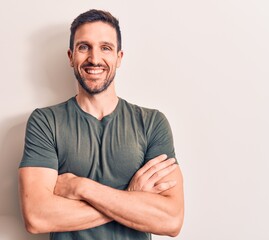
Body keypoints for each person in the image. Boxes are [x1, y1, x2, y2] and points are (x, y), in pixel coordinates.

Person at [18, 9, 184, 240]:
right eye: (84, 47)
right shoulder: (45, 122)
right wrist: (130, 197)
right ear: (70, 56)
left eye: (105, 47)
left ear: (119, 57)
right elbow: (37, 217)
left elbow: (171, 220)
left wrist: (80, 187)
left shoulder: (152, 123)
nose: (94, 59)